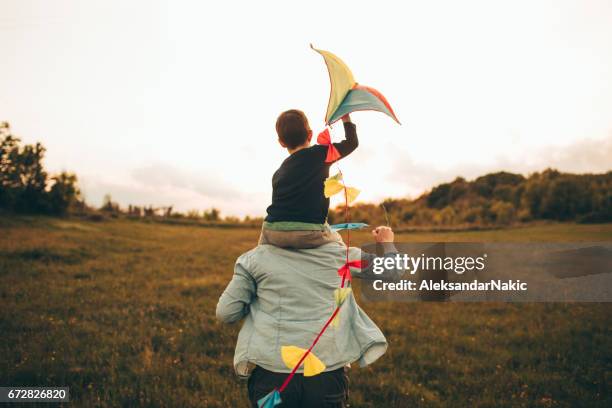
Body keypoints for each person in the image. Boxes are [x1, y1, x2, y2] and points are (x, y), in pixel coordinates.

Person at [216, 226, 401, 408]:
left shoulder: (255, 259)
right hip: (326, 377)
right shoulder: (342, 255)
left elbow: (226, 313)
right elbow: (393, 271)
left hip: (272, 377)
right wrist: (387, 243)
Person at [260, 109, 358, 249]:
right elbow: (352, 143)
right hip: (308, 232)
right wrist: (346, 118)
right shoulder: (321, 154)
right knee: (337, 240)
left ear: (281, 142)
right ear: (310, 135)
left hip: (271, 231)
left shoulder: (278, 173)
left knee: (262, 251)